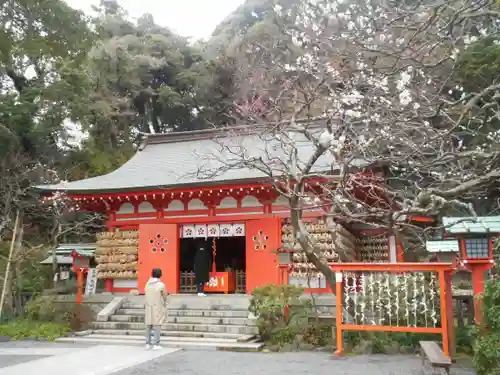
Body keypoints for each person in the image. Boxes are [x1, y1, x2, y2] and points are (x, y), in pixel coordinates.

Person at [144, 267, 167, 350]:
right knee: (157, 325)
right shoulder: (161, 285)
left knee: (148, 325)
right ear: (160, 274)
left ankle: (147, 343)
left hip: (148, 305)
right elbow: (165, 296)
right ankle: (156, 344)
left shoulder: (147, 284)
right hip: (158, 306)